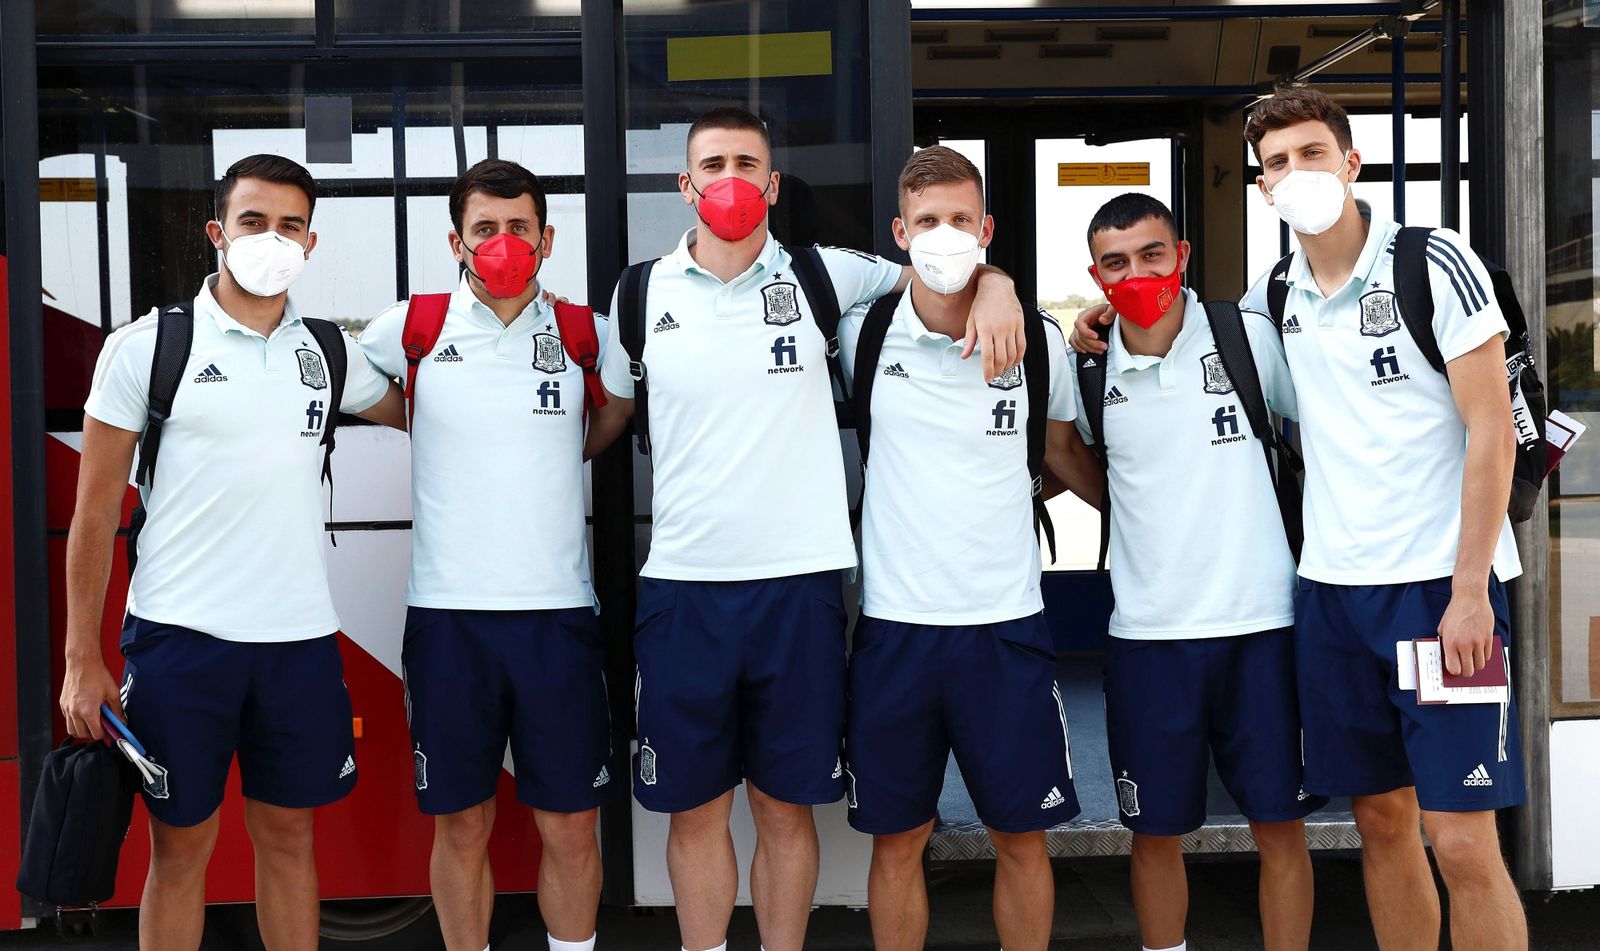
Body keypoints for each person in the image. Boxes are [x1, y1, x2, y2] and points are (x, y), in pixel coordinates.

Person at [1073, 88, 1528, 951]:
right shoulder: (1272, 298)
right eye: (1276, 163)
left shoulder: (1432, 263)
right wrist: (1094, 318)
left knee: (1463, 837)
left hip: (1442, 593)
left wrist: (1472, 589)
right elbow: (1170, 333)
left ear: (1350, 163)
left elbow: (1493, 435)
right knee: (1382, 826)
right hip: (1331, 602)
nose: (1295, 173)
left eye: (1311, 154)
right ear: (1262, 189)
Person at [586, 107, 1026, 951]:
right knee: (694, 811)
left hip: (803, 587)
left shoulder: (828, 277)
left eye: (748, 163)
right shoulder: (638, 293)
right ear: (686, 185)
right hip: (684, 591)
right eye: (712, 164)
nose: (730, 179)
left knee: (784, 808)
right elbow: (608, 413)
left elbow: (937, 271)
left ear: (773, 183)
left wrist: (1000, 282)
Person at [59, 154, 405, 951]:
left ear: (311, 243)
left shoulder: (327, 352)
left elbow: (426, 409)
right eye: (253, 221)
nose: (271, 238)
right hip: (181, 642)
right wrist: (83, 657)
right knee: (182, 854)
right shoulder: (148, 346)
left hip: (300, 644)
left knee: (290, 843)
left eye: (290, 225)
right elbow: (93, 510)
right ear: (218, 231)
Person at [836, 146, 1097, 951]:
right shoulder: (861, 333)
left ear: (985, 227)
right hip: (894, 631)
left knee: (1022, 837)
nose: (943, 235)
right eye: (925, 222)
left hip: (1006, 627)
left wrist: (1003, 287)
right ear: (899, 233)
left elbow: (1059, 456)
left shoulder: (1039, 340)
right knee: (898, 839)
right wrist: (998, 280)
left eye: (958, 220)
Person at [359, 159, 614, 951]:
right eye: (485, 228)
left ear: (546, 236)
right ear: (456, 241)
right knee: (461, 821)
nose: (503, 242)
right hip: (449, 621)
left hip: (558, 618)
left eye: (519, 227)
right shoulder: (411, 329)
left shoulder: (584, 334)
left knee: (570, 825)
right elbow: (370, 397)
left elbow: (612, 418)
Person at [1075, 193, 1321, 951]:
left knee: (1278, 825)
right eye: (1116, 262)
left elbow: (1328, 423)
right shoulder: (1086, 372)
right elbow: (1071, 464)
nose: (1136, 272)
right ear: (1096, 274)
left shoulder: (1244, 336)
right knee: (1155, 832)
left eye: (1152, 253)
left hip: (1263, 629)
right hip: (1149, 639)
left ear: (1180, 255)